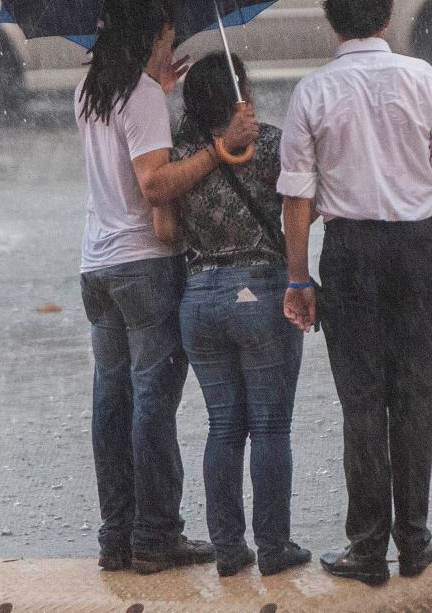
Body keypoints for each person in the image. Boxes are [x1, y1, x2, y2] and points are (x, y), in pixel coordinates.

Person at [277, 0, 432, 586]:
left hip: (350, 253)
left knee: (362, 401)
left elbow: (296, 199)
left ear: (331, 23)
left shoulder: (311, 93)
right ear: (389, 16)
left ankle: (367, 548)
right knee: (416, 398)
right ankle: (415, 542)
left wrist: (298, 279)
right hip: (417, 247)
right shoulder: (422, 78)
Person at [75, 0, 259, 575]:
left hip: (97, 265)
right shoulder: (142, 97)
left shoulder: (89, 89)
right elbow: (154, 184)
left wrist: (156, 89)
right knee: (152, 400)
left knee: (112, 398)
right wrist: (218, 149)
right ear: (152, 35)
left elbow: (123, 155)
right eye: (168, 36)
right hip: (143, 266)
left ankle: (117, 534)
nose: (171, 45)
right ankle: (155, 535)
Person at [151, 52, 311, 578]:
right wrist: (298, 275)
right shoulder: (268, 142)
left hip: (198, 300)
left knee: (224, 425)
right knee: (269, 426)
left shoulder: (180, 154)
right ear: (239, 93)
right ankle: (274, 547)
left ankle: (227, 548)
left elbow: (167, 232)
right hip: (260, 293)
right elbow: (306, 203)